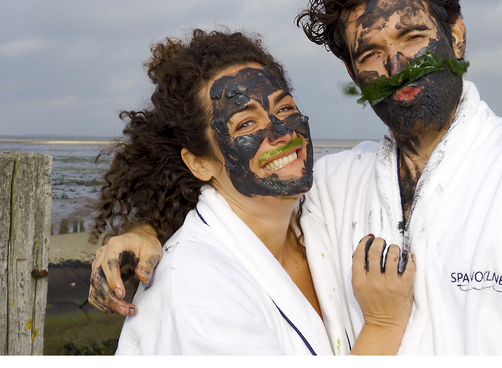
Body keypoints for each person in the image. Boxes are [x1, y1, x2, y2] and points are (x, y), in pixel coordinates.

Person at [90, 0, 502, 355]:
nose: (396, 64)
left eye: (412, 36)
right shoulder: (338, 185)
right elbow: (234, 220)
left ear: (456, 36)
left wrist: (146, 230)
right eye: (369, 52)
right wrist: (147, 231)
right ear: (354, 75)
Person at [89, 28, 415, 355]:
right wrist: (382, 325)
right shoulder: (196, 289)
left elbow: (410, 159)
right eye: (246, 124)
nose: (281, 132)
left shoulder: (322, 201)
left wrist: (148, 229)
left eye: (284, 109)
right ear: (200, 163)